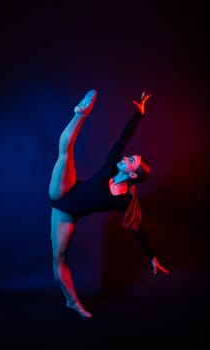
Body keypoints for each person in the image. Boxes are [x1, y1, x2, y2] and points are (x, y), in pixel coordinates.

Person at [49, 89, 169, 318]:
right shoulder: (110, 167)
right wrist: (139, 115)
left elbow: (138, 230)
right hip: (64, 188)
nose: (126, 157)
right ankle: (80, 114)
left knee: (60, 259)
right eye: (129, 156)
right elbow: (123, 139)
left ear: (133, 175)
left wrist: (152, 257)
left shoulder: (124, 200)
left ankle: (71, 302)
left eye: (131, 160)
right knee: (65, 153)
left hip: (66, 215)